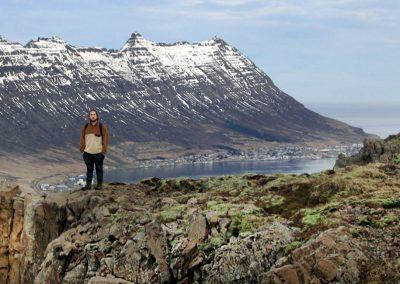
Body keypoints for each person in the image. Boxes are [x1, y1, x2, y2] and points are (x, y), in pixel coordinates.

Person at [79, 109, 109, 190]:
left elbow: (106, 139)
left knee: (99, 169)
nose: (92, 116)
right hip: (88, 153)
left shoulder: (101, 127)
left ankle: (99, 185)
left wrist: (103, 151)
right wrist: (82, 150)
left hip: (98, 153)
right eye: (91, 114)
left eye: (94, 114)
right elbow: (82, 138)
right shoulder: (85, 127)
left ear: (97, 116)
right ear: (89, 116)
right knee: (89, 170)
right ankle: (88, 185)